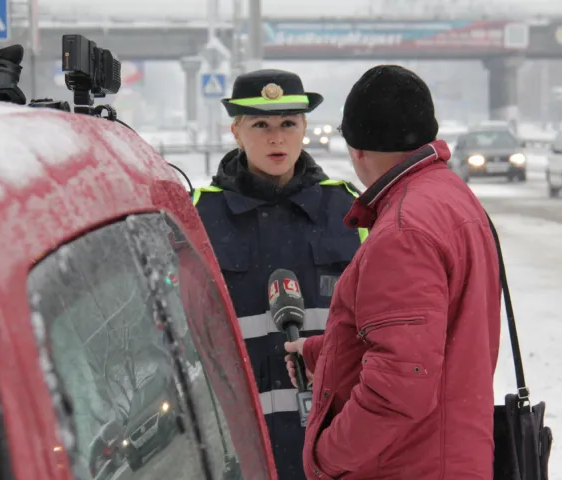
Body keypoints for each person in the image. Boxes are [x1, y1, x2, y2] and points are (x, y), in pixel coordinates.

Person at [284, 65, 501, 479]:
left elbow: (400, 387)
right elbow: (438, 338)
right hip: (451, 454)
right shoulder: (452, 198)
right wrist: (322, 355)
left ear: (357, 150)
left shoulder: (402, 230)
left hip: (406, 466)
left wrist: (325, 458)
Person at [192, 69, 367, 479]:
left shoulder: (349, 209)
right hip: (243, 447)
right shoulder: (200, 215)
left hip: (336, 442)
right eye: (261, 125)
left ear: (304, 127)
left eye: (289, 123)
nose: (277, 137)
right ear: (236, 131)